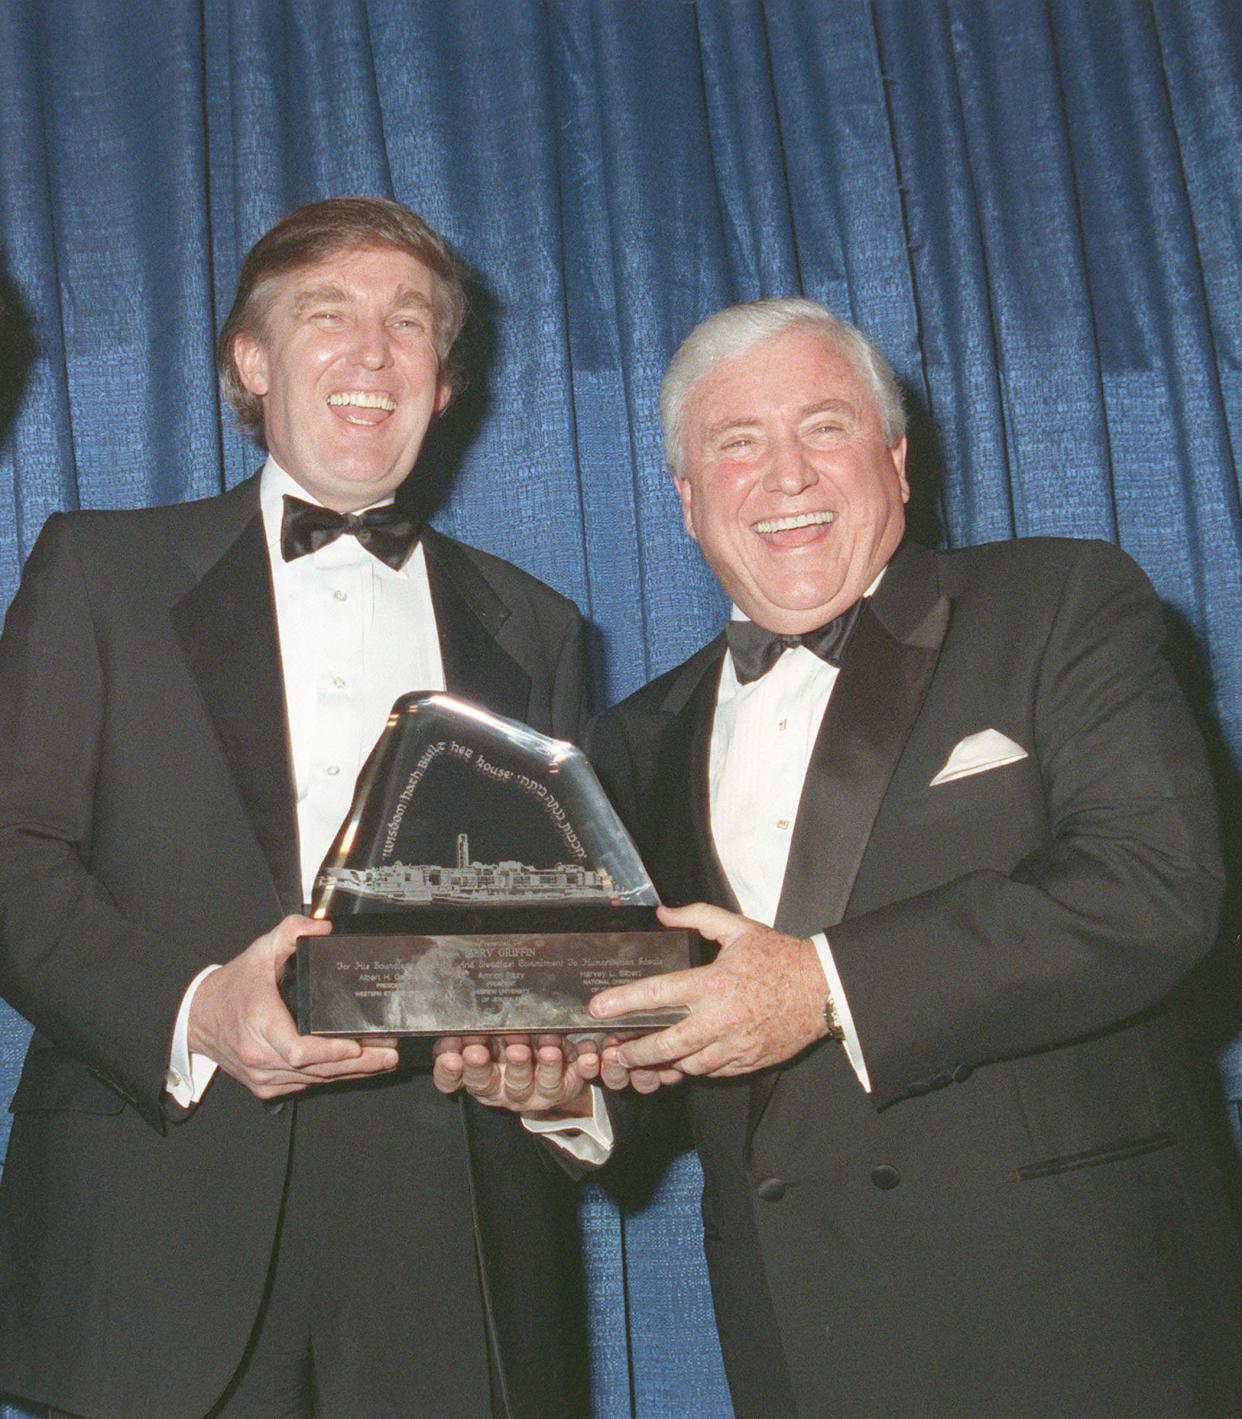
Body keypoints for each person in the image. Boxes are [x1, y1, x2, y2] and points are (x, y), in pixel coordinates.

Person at [437, 298, 1242, 1416]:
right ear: (685, 499)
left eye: (825, 428)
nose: (787, 477)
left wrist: (825, 987)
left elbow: (1159, 892)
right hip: (803, 1354)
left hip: (1087, 1331)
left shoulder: (1057, 601)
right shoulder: (630, 742)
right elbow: (671, 1044)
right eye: (737, 444)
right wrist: (569, 1087)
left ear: (898, 462)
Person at [0, 197, 593, 1419]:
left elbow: (567, 942)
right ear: (251, 363)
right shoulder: (96, 572)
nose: (373, 352)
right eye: (329, 315)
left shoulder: (539, 629)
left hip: (458, 1253)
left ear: (443, 385)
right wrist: (198, 1010)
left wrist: (565, 1082)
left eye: (409, 323)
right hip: (158, 1229)